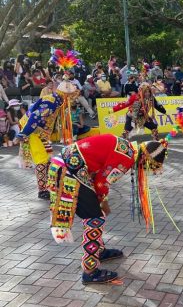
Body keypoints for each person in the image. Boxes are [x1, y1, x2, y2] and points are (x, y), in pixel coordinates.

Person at [47, 134, 168, 284]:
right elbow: (101, 183)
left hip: (70, 165)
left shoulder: (128, 148)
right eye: (148, 166)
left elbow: (99, 172)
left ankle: (99, 251)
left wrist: (101, 201)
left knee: (98, 214)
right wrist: (102, 200)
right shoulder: (127, 158)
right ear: (146, 159)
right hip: (70, 170)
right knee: (95, 218)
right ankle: (90, 272)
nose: (144, 170)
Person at [14, 93, 64, 199]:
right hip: (33, 131)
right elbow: (35, 117)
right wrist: (22, 134)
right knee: (41, 159)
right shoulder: (51, 103)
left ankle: (50, 184)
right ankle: (42, 191)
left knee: (48, 157)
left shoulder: (55, 100)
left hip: (40, 132)